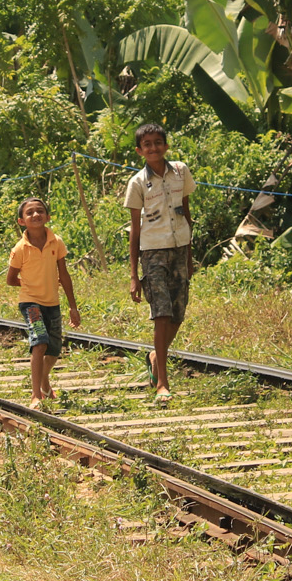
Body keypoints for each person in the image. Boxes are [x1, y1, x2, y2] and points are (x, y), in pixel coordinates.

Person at [123, 122, 193, 403]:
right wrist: (133, 274)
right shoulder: (138, 182)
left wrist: (189, 256)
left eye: (157, 142)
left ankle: (155, 357)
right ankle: (162, 381)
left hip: (179, 248)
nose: (153, 148)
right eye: (147, 144)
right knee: (161, 314)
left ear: (166, 145)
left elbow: (186, 211)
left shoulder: (181, 171)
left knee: (178, 314)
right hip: (152, 252)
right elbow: (135, 230)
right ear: (139, 151)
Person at [5, 196, 82, 409]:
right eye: (29, 212)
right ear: (21, 221)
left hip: (52, 303)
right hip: (30, 303)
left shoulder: (56, 242)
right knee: (39, 342)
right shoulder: (20, 248)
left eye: (40, 211)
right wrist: (30, 285)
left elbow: (64, 275)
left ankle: (44, 380)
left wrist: (73, 307)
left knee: (54, 349)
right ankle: (35, 395)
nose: (35, 215)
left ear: (47, 216)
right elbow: (11, 279)